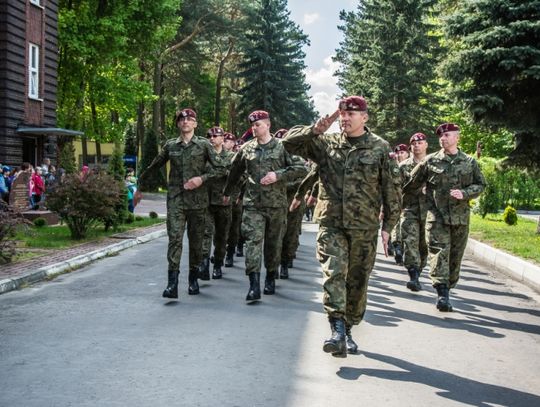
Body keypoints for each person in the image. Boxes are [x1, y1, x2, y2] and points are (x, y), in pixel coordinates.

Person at [283, 96, 401, 357]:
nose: (345, 119)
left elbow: (391, 189)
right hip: (331, 223)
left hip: (364, 225)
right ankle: (336, 330)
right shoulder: (325, 144)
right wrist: (313, 131)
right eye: (342, 114)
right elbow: (288, 144)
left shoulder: (380, 148)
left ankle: (347, 329)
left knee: (357, 281)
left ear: (365, 118)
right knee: (334, 273)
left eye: (351, 114)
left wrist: (388, 226)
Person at [137, 108, 225, 299]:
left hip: (198, 202)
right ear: (178, 124)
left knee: (195, 243)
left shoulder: (203, 145)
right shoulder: (171, 146)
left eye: (190, 119)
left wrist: (201, 179)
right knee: (175, 239)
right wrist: (139, 186)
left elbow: (221, 169)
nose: (186, 122)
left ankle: (193, 279)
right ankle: (172, 283)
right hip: (176, 200)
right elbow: (154, 165)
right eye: (182, 119)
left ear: (195, 124)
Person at [223, 110, 305, 302]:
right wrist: (228, 193)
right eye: (252, 125)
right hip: (253, 205)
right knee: (253, 242)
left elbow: (301, 168)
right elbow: (235, 172)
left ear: (268, 125)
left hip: (276, 205)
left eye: (257, 124)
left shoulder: (282, 147)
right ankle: (253, 285)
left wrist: (278, 175)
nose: (254, 128)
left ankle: (270, 275)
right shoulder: (247, 148)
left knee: (273, 244)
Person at [403, 123, 485, 311]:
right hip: (436, 217)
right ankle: (442, 294)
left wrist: (465, 193)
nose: (443, 138)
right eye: (441, 136)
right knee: (439, 253)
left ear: (457, 138)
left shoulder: (469, 162)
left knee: (455, 258)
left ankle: (448, 285)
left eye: (447, 135)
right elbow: (410, 185)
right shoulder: (430, 161)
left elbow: (480, 185)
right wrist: (403, 203)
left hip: (460, 219)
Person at [200, 126, 235, 280]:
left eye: (215, 136)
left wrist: (231, 193)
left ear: (222, 138)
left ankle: (218, 264)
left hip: (224, 203)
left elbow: (238, 177)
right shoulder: (202, 156)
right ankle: (204, 264)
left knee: (221, 237)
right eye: (210, 136)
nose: (212, 138)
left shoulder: (232, 157)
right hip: (206, 201)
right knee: (205, 233)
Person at [274, 128, 308, 279]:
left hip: (293, 201)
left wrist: (281, 182)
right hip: (275, 200)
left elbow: (302, 178)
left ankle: (286, 262)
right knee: (274, 234)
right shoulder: (273, 159)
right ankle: (273, 264)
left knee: (290, 232)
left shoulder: (297, 159)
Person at [399, 132, 429, 291]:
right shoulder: (403, 166)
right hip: (409, 209)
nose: (417, 145)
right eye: (414, 143)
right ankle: (413, 275)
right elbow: (397, 189)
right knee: (410, 242)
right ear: (411, 146)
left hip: (429, 211)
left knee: (423, 246)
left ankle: (419, 269)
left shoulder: (434, 164)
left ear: (426, 145)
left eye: (420, 142)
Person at [388, 143, 410, 265]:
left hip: (408, 202)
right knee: (395, 223)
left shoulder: (412, 164)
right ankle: (397, 247)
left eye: (402, 152)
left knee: (404, 225)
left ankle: (399, 246)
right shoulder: (392, 165)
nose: (400, 155)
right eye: (398, 152)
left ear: (407, 153)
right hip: (394, 200)